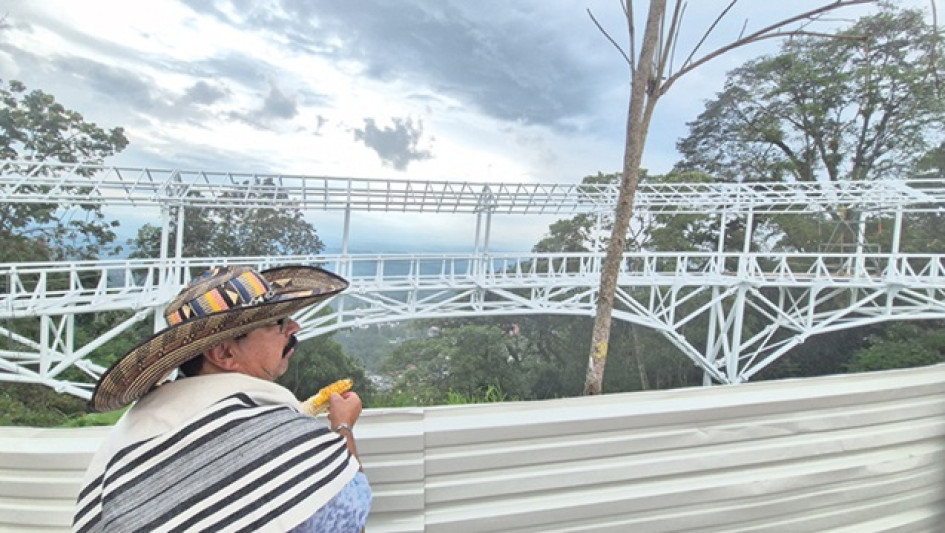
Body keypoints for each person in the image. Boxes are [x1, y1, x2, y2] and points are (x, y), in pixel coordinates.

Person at [72, 265, 371, 533]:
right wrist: (343, 428)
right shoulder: (275, 434)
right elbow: (348, 512)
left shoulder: (140, 424)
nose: (294, 328)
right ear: (224, 353)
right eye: (278, 322)